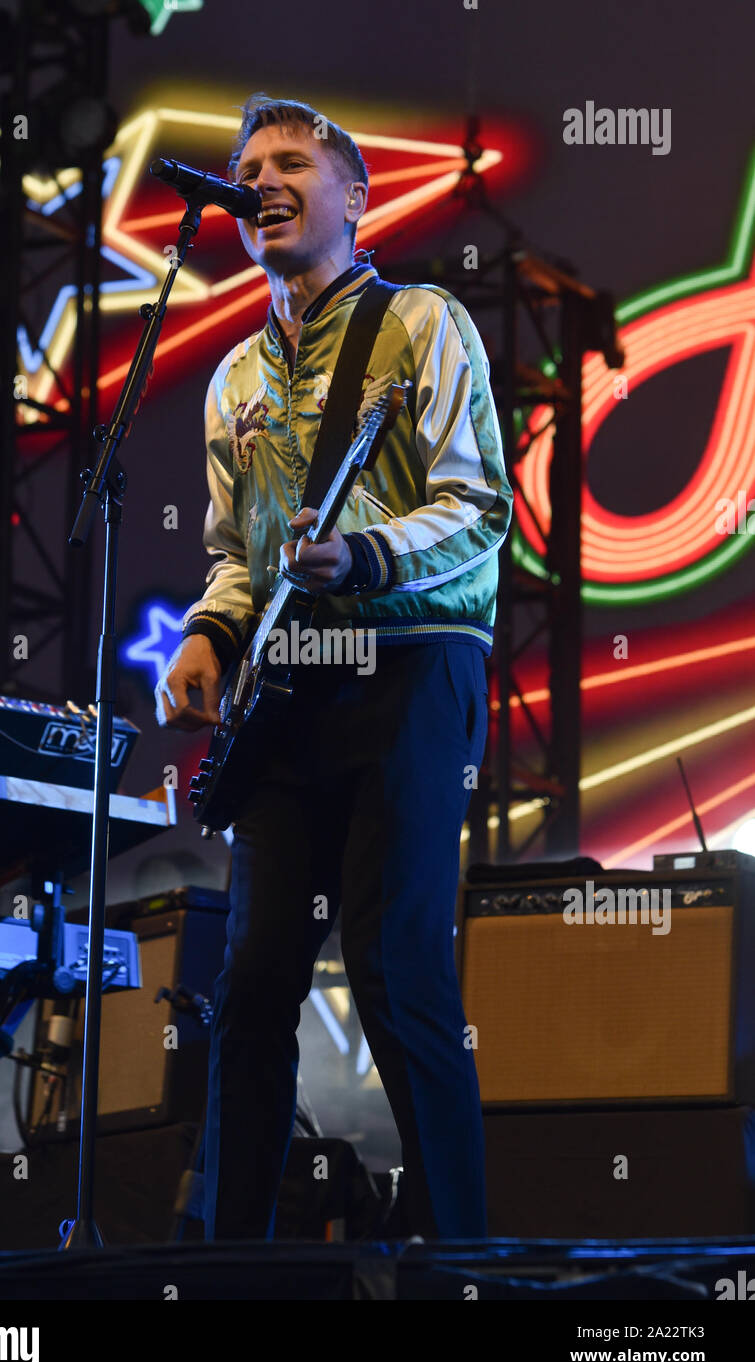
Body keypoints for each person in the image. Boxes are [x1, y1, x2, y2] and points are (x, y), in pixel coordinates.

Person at [155, 93, 513, 1240]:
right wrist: (210, 633)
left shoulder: (421, 324)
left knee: (394, 961)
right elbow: (236, 556)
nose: (261, 178)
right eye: (248, 165)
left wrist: (362, 552)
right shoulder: (233, 386)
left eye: (291, 161)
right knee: (251, 985)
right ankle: (229, 1257)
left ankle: (466, 1253)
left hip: (410, 664)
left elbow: (480, 506)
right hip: (290, 693)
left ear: (354, 196)